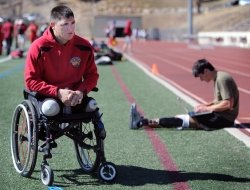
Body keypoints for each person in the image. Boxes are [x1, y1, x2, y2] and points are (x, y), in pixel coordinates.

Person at [24, 5, 105, 137]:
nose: (71, 28)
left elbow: (92, 76)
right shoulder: (38, 47)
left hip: (75, 97)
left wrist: (81, 91)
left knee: (92, 105)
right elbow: (31, 80)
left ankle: (99, 155)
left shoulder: (84, 46)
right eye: (65, 24)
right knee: (50, 108)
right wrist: (58, 92)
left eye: (73, 23)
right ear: (53, 25)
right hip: (48, 96)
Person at [130, 59, 239, 131]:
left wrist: (206, 108)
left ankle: (142, 122)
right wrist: (204, 105)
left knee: (182, 120)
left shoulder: (222, 79)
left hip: (224, 119)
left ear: (206, 71)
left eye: (200, 76)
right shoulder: (218, 78)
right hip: (220, 116)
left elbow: (228, 104)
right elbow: (219, 101)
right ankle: (143, 122)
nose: (201, 80)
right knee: (183, 118)